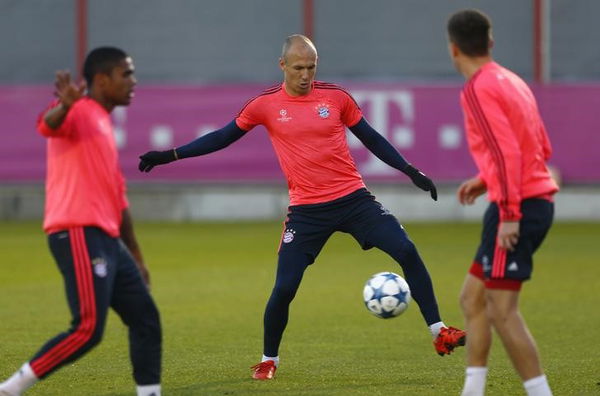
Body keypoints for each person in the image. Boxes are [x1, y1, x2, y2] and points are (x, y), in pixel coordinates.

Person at [138, 34, 465, 380]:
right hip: (307, 211)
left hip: (354, 199)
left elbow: (372, 138)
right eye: (298, 68)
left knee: (407, 250)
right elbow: (221, 137)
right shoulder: (264, 105)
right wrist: (170, 155)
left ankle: (439, 331)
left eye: (311, 67)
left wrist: (410, 171)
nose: (305, 75)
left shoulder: (336, 98)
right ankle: (268, 360)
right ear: (282, 66)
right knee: (284, 288)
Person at [0, 47, 162, 396]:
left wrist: (134, 252)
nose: (133, 81)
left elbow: (117, 197)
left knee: (145, 319)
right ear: (102, 80)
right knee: (88, 329)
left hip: (106, 239)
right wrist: (66, 104)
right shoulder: (80, 111)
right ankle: (10, 389)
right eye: (127, 73)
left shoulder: (102, 121)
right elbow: (47, 124)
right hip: (76, 231)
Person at [446, 9, 559, 396]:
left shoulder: (478, 88)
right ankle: (472, 391)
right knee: (471, 298)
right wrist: (485, 179)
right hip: (526, 198)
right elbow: (540, 146)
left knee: (501, 311)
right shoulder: (513, 80)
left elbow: (508, 151)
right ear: (490, 43)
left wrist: (509, 212)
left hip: (518, 206)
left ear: (453, 49)